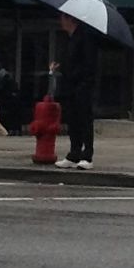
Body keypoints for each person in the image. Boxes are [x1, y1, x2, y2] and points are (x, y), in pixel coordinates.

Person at [52, 13, 100, 169]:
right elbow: (68, 61)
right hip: (70, 86)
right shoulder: (69, 38)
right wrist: (59, 66)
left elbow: (88, 64)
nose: (61, 22)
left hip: (82, 85)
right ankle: (74, 153)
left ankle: (87, 155)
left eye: (63, 18)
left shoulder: (85, 37)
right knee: (73, 120)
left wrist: (76, 76)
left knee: (84, 119)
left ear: (70, 19)